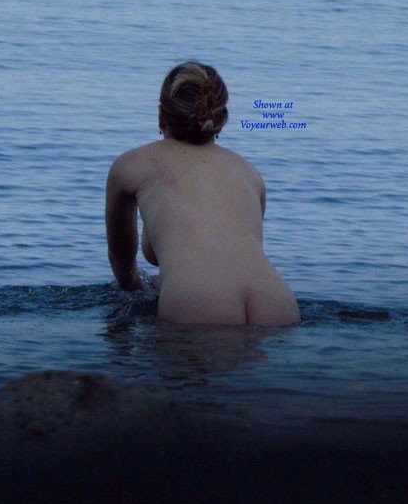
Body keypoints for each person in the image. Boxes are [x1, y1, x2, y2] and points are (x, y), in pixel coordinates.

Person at [105, 61, 301, 326]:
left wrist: (145, 288)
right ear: (219, 118)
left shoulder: (131, 165)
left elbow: (123, 266)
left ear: (161, 115)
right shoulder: (249, 172)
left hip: (197, 302)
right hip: (278, 302)